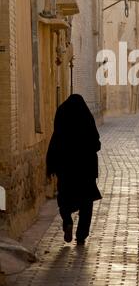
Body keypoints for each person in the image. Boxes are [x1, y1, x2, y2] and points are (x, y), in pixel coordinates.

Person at [46, 94, 102, 245]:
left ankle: (67, 222)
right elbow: (96, 144)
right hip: (86, 170)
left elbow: (56, 138)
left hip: (66, 169)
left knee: (64, 197)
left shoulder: (62, 113)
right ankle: (81, 235)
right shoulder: (86, 117)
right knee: (86, 202)